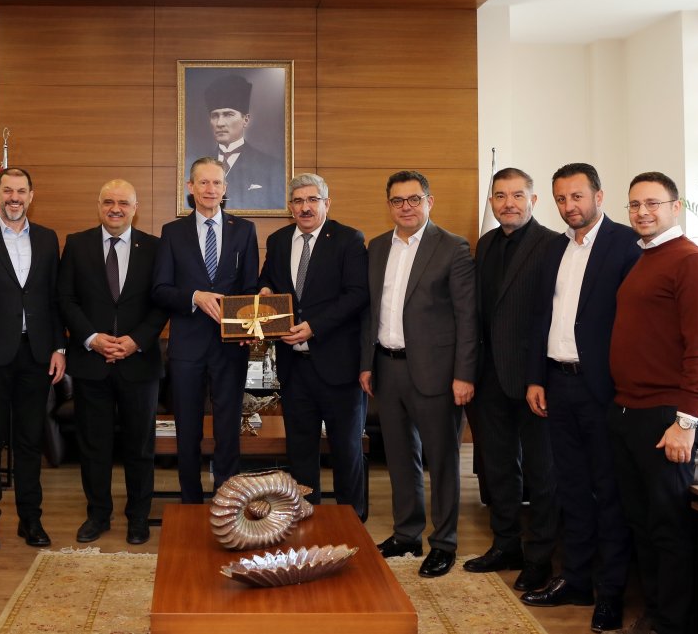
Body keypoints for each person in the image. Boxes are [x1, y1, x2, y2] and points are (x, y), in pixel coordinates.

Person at [520, 163, 639, 632]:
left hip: (603, 388)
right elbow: (540, 317)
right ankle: (575, 580)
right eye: (561, 199)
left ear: (598, 196)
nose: (569, 206)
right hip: (556, 383)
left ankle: (610, 593)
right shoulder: (554, 247)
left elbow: (633, 323)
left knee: (608, 492)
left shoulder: (626, 244)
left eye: (577, 196)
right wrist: (535, 378)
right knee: (569, 488)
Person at [608, 171, 698, 634]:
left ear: (675, 207)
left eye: (652, 203)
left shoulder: (692, 263)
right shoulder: (645, 258)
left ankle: (671, 622)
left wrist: (685, 422)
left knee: (668, 526)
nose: (642, 212)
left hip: (668, 416)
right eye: (635, 204)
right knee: (642, 522)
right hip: (629, 411)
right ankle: (654, 611)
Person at [359, 170, 476, 578]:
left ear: (429, 201)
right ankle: (407, 534)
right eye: (397, 200)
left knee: (441, 460)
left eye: (414, 199)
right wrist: (366, 364)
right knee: (399, 457)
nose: (406, 207)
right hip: (387, 369)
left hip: (438, 373)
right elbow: (370, 312)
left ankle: (444, 543)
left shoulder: (453, 247)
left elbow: (467, 317)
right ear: (388, 205)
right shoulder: (377, 247)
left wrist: (464, 374)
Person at [0, 167, 66, 552]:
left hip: (35, 355)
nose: (14, 197)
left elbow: (54, 299)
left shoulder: (48, 239)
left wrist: (59, 348)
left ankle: (30, 520)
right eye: (8, 191)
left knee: (29, 440)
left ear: (31, 196)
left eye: (21, 191)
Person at [464, 167, 560, 591]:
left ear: (533, 200)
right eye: (500, 196)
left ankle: (540, 558)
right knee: (499, 468)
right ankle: (506, 545)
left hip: (535, 379)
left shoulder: (553, 244)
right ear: (491, 202)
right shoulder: (485, 244)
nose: (508, 203)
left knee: (542, 473)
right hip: (489, 378)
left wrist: (539, 376)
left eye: (517, 195)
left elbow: (552, 316)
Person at [58, 179, 168, 545]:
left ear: (136, 208)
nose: (115, 208)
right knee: (94, 447)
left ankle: (138, 518)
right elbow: (66, 299)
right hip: (92, 363)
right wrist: (92, 338)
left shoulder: (155, 247)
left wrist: (137, 341)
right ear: (99, 205)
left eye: (123, 202)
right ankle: (98, 515)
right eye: (108, 202)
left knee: (140, 447)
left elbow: (161, 302)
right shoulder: (77, 244)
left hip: (139, 363)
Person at [257, 173, 368, 517]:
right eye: (298, 201)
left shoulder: (349, 239)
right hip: (294, 368)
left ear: (326, 203)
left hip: (338, 366)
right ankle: (306, 516)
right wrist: (264, 291)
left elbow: (357, 295)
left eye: (312, 200)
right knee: (300, 450)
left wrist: (314, 327)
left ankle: (352, 519)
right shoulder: (278, 241)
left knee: (346, 449)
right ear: (290, 207)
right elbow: (267, 280)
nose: (305, 207)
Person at [152, 157, 259, 503]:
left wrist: (247, 325)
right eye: (203, 182)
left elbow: (250, 287)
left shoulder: (245, 230)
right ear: (190, 187)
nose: (210, 189)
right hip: (187, 346)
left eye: (216, 183)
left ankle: (227, 500)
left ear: (225, 189)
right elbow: (160, 289)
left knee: (228, 428)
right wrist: (194, 296)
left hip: (231, 344)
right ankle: (190, 500)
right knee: (188, 428)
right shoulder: (172, 233)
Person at [202, 74, 283, 210]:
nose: (220, 123)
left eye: (228, 114)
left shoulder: (272, 167)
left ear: (245, 120)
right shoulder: (197, 166)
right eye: (215, 116)